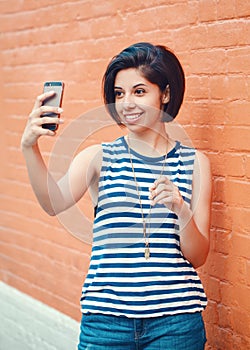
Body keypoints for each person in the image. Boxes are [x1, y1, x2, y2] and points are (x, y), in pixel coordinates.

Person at [21, 42, 212, 350]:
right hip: (106, 323)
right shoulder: (98, 156)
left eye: (139, 91)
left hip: (176, 323)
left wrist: (180, 209)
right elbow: (52, 203)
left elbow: (198, 256)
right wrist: (29, 147)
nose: (126, 104)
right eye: (119, 94)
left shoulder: (195, 164)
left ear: (164, 93)